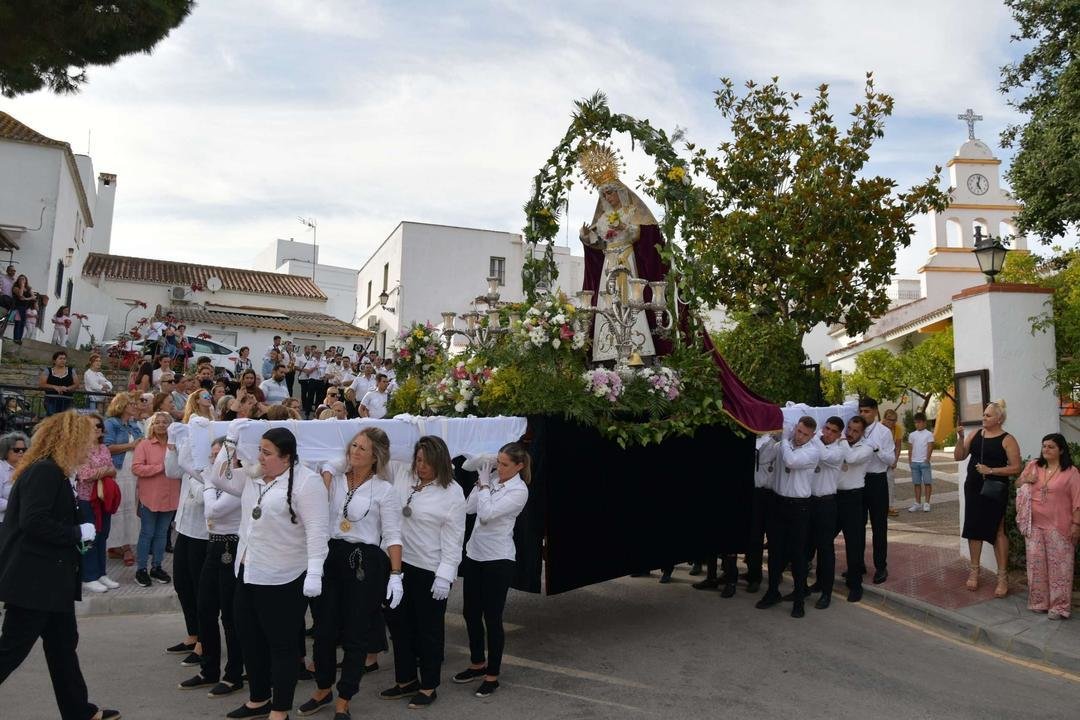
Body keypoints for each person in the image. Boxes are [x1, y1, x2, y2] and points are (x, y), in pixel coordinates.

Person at [0, 412, 121, 720]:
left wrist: (77, 535)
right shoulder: (45, 472)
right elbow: (34, 521)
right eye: (86, 440)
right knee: (11, 650)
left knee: (63, 648)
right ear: (69, 441)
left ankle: (79, 711)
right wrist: (75, 533)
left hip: (52, 581)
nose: (90, 447)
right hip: (35, 582)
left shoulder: (55, 472)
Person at [209, 425, 328, 720]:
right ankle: (258, 698)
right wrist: (230, 442)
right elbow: (217, 476)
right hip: (248, 571)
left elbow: (317, 530)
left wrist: (314, 572)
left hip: (283, 576)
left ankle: (280, 708)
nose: (260, 457)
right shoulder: (254, 477)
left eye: (267, 452)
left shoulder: (307, 482)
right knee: (248, 638)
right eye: (259, 450)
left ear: (286, 457)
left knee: (282, 645)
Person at [300, 428, 404, 718]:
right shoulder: (333, 480)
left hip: (365, 562)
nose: (354, 452)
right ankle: (323, 688)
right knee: (323, 629)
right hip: (330, 555)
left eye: (362, 449)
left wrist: (396, 575)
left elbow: (394, 536)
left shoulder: (384, 489)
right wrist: (330, 470)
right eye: (353, 445)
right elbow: (316, 506)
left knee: (356, 633)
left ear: (376, 457)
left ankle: (345, 697)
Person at [381, 436, 466, 708]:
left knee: (428, 630)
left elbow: (454, 537)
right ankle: (405, 680)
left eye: (427, 462)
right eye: (418, 460)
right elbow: (385, 446)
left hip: (430, 570)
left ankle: (429, 685)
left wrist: (445, 574)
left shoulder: (452, 492)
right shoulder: (405, 476)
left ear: (440, 462)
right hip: (398, 565)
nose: (421, 466)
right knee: (399, 626)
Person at [453, 443, 530, 698]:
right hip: (475, 554)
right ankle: (477, 663)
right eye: (498, 461)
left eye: (505, 464)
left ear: (519, 466)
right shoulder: (494, 478)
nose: (499, 467)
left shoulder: (519, 490)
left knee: (492, 618)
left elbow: (486, 515)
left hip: (498, 559)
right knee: (470, 612)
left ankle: (492, 675)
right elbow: (470, 508)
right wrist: (480, 483)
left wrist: (485, 486)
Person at [184, 435, 246, 697]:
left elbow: (214, 511)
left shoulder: (239, 480)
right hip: (214, 545)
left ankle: (233, 674)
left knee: (230, 616)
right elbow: (184, 463)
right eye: (211, 455)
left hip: (231, 547)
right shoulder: (215, 479)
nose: (213, 460)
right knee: (205, 608)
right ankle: (208, 669)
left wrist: (208, 483)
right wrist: (184, 436)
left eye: (218, 455)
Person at [955, 400, 1021, 597]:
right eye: (984, 414)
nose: (984, 418)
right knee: (974, 528)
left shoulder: (1008, 439)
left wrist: (991, 470)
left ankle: (1002, 577)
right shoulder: (976, 434)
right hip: (974, 486)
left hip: (995, 488)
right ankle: (974, 571)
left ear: (999, 419)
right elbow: (959, 456)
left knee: (997, 530)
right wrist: (960, 437)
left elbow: (1017, 467)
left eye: (988, 415)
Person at [755, 416, 819, 619]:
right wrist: (771, 436)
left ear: (812, 435)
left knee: (797, 555)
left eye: (805, 434)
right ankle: (772, 591)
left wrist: (783, 440)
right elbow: (763, 457)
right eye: (798, 431)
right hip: (778, 503)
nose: (800, 436)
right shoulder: (783, 445)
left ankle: (799, 598)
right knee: (775, 551)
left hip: (799, 507)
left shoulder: (812, 451)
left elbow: (791, 460)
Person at [1015, 433, 1080, 619]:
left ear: (1061, 449)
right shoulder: (1034, 465)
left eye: (1051, 447)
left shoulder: (1071, 472)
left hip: (1060, 526)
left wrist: (1076, 525)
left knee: (1060, 567)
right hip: (1034, 525)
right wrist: (1027, 480)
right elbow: (1018, 484)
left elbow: (1078, 501)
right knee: (1036, 565)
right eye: (1044, 446)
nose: (1046, 450)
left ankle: (1059, 607)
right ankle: (1038, 601)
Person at [165, 425, 210, 669]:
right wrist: (172, 443)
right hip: (183, 527)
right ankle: (192, 634)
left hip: (203, 533)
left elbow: (204, 493)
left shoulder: (206, 463)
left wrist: (189, 466)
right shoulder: (189, 459)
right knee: (182, 584)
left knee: (200, 590)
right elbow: (171, 471)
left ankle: (204, 641)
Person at [131, 411, 180, 588]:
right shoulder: (144, 445)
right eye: (157, 422)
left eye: (164, 422)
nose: (161, 425)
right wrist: (160, 467)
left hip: (171, 496)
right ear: (152, 425)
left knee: (162, 535)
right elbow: (136, 468)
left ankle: (157, 567)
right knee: (147, 534)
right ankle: (141, 569)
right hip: (150, 497)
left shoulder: (176, 445)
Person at [74, 418, 118, 594]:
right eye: (94, 426)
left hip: (103, 498)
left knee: (103, 534)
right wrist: (104, 471)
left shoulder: (104, 448)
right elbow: (85, 474)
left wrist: (103, 471)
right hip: (86, 499)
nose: (98, 429)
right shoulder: (80, 450)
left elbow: (113, 470)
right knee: (90, 537)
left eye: (100, 426)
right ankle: (88, 576)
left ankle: (101, 573)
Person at [805, 416, 845, 610]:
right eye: (826, 428)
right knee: (806, 547)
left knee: (825, 550)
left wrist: (812, 436)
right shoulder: (815, 444)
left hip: (826, 504)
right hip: (809, 502)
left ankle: (826, 592)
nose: (827, 433)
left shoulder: (838, 451)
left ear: (839, 435)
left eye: (833, 431)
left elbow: (824, 456)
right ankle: (808, 586)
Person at [104, 393, 144, 567]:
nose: (135, 406)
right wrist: (130, 446)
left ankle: (122, 544)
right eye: (132, 404)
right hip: (118, 471)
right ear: (122, 405)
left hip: (132, 471)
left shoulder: (134, 425)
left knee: (131, 507)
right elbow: (106, 448)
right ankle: (121, 546)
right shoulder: (111, 423)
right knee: (118, 508)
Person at [858, 397, 895, 585]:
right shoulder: (856, 429)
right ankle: (857, 564)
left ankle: (881, 566)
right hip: (858, 481)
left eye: (866, 411)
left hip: (877, 480)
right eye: (861, 411)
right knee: (857, 525)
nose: (863, 415)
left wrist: (877, 449)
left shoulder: (884, 432)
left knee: (879, 526)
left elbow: (891, 460)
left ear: (875, 411)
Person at [836, 416, 871, 603]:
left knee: (853, 544)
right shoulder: (840, 443)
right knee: (823, 540)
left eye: (855, 430)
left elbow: (850, 458)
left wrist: (841, 441)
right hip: (834, 497)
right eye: (848, 428)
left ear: (862, 433)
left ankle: (855, 585)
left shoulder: (866, 448)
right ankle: (822, 580)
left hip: (853, 498)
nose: (850, 433)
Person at [907, 412, 936, 512]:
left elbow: (930, 446)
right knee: (916, 483)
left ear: (924, 422)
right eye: (915, 423)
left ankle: (927, 503)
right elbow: (910, 448)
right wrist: (910, 461)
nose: (917, 424)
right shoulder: (912, 435)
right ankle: (917, 503)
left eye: (919, 422)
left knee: (927, 482)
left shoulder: (929, 434)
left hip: (924, 461)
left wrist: (927, 459)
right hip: (914, 462)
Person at [0, 432, 29, 525]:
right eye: (16, 450)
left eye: (24, 449)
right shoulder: (1, 469)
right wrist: (18, 504)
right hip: (3, 522)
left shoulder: (28, 469)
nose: (21, 452)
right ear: (5, 450)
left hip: (22, 522)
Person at [39, 350, 80, 416]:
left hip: (67, 400)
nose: (63, 360)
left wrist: (67, 388)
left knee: (66, 420)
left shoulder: (71, 370)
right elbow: (42, 384)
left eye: (64, 359)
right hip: (51, 399)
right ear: (54, 361)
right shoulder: (48, 371)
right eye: (60, 358)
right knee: (52, 419)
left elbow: (77, 384)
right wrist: (54, 387)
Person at [882, 408, 903, 517]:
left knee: (890, 483)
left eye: (894, 420)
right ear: (884, 419)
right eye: (890, 420)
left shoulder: (897, 429)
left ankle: (890, 506)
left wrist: (895, 460)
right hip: (879, 459)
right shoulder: (879, 428)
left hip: (890, 460)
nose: (892, 422)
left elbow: (898, 446)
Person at [10, 274, 36, 345]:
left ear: (26, 280)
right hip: (17, 308)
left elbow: (33, 297)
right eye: (20, 279)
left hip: (25, 308)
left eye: (23, 279)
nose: (22, 280)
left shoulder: (28, 288)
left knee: (22, 324)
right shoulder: (15, 287)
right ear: (18, 280)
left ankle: (19, 339)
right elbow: (20, 295)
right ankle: (16, 338)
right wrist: (22, 286)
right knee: (18, 323)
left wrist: (26, 299)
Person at [300, 349, 326, 418]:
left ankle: (317, 413)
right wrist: (314, 368)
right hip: (312, 380)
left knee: (319, 398)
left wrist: (324, 378)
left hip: (320, 381)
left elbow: (326, 372)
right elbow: (307, 371)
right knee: (310, 397)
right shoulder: (310, 361)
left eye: (319, 353)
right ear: (314, 354)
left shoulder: (324, 362)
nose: (318, 354)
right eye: (316, 353)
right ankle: (307, 413)